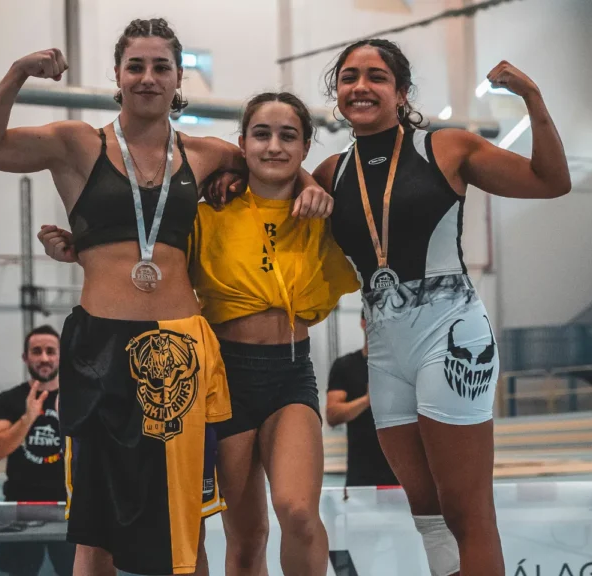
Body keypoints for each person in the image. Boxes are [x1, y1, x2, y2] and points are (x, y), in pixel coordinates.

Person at [0, 17, 330, 576]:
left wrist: (313, 188)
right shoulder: (76, 144)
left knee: (187, 527)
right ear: (117, 74)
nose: (148, 77)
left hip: (179, 352)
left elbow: (275, 159)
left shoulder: (204, 154)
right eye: (136, 65)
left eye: (161, 66)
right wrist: (16, 75)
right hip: (98, 351)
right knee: (95, 534)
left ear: (179, 78)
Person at [39, 92, 360, 576]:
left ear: (306, 145)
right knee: (245, 533)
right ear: (242, 144)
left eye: (288, 136)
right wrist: (83, 248)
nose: (274, 146)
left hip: (290, 373)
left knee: (298, 512)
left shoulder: (320, 214)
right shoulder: (207, 209)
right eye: (261, 134)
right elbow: (144, 257)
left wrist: (312, 183)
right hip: (223, 375)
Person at [312, 39, 571, 576]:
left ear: (401, 92)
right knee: (427, 514)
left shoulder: (445, 148)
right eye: (349, 77)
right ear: (337, 94)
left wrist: (533, 98)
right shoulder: (329, 171)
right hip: (384, 349)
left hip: (450, 336)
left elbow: (552, 182)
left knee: (466, 510)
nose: (361, 86)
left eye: (377, 77)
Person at [0, 325, 74, 576]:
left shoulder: (78, 399)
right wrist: (28, 418)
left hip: (69, 507)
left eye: (50, 351)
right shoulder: (8, 400)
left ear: (61, 356)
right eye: (37, 351)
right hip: (19, 509)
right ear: (26, 357)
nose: (44, 358)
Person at [326, 310, 397, 487]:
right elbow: (332, 415)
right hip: (362, 477)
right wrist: (367, 400)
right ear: (363, 323)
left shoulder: (402, 365)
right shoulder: (345, 366)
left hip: (401, 475)